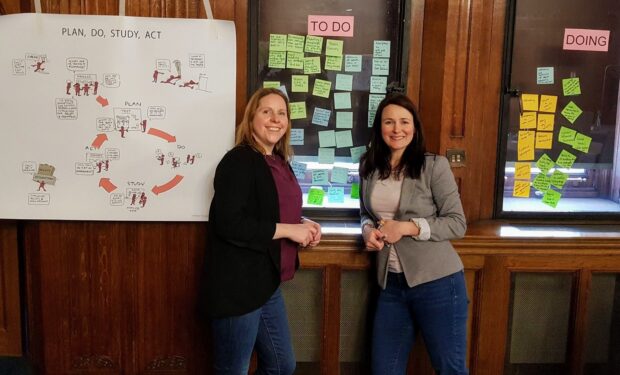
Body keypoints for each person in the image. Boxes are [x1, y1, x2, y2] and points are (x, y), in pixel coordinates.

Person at [205, 87, 321, 374]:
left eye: (281, 113)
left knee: (282, 366)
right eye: (266, 111)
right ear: (252, 117)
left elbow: (269, 208)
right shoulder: (239, 160)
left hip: (267, 284)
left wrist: (301, 223)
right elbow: (228, 222)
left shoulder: (278, 161)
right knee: (234, 369)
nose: (275, 119)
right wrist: (289, 230)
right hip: (239, 287)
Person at [359, 93, 468, 375]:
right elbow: (366, 214)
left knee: (450, 369)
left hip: (439, 284)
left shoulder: (434, 166)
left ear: (415, 127)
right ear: (379, 127)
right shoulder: (369, 167)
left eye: (404, 122)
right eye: (389, 122)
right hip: (390, 286)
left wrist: (407, 227)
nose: (397, 129)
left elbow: (457, 223)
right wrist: (367, 229)